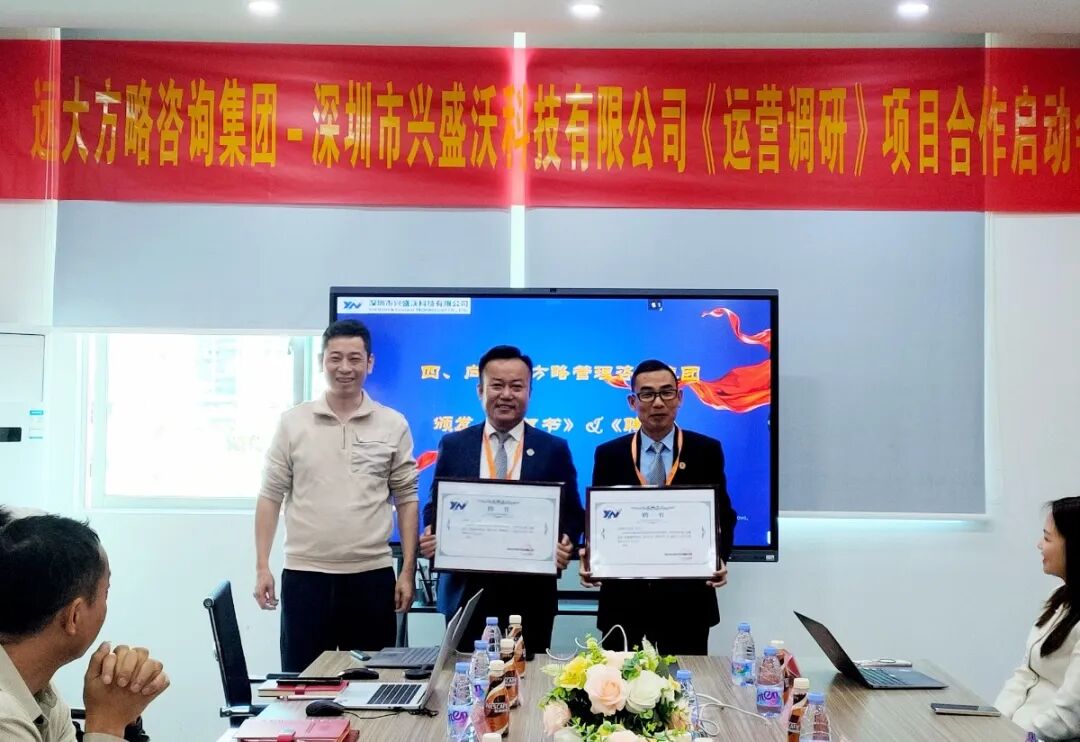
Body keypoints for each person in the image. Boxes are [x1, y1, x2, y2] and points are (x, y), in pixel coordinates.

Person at [254, 319, 420, 672]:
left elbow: (406, 499)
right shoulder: (293, 423)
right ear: (321, 362)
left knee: (374, 682)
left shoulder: (393, 424)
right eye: (335, 358)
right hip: (305, 575)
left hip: (372, 576)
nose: (345, 367)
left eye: (355, 358)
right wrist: (262, 566)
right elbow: (270, 496)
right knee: (305, 683)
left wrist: (407, 570)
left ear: (369, 363)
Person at [420, 345, 585, 654]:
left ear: (529, 392)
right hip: (466, 591)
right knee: (465, 673)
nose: (506, 395)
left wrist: (566, 542)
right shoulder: (455, 445)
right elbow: (435, 505)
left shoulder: (553, 448)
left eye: (516, 386)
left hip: (531, 593)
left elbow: (574, 513)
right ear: (480, 390)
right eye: (497, 385)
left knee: (528, 675)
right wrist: (432, 532)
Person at [579, 359, 737, 656]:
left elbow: (724, 515)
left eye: (666, 392)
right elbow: (598, 519)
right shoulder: (610, 454)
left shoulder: (705, 451)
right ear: (632, 402)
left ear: (680, 398)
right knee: (618, 684)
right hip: (623, 604)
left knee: (685, 683)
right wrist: (592, 557)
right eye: (647, 394)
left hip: (687, 603)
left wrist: (719, 557)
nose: (658, 402)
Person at [0, 515, 170, 741]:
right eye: (105, 592)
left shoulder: (40, 690)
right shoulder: (4, 720)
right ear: (75, 616)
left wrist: (122, 714)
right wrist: (107, 724)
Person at [996, 496, 1080, 741]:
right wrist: (996, 722)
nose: (1039, 545)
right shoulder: (1059, 597)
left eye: (1047, 538)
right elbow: (1025, 673)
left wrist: (1019, 736)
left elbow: (1070, 715)